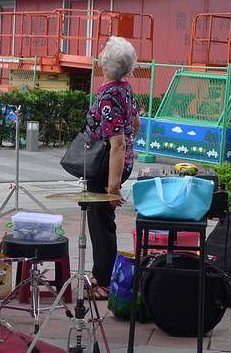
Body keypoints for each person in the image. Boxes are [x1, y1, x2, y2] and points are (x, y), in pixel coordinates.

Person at [84, 36, 140, 300]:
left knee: (101, 224)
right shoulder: (124, 88)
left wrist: (113, 186)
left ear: (105, 63)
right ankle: (101, 273)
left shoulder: (108, 96)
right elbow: (136, 124)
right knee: (102, 222)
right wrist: (130, 147)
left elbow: (116, 144)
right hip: (119, 163)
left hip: (106, 168)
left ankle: (105, 281)